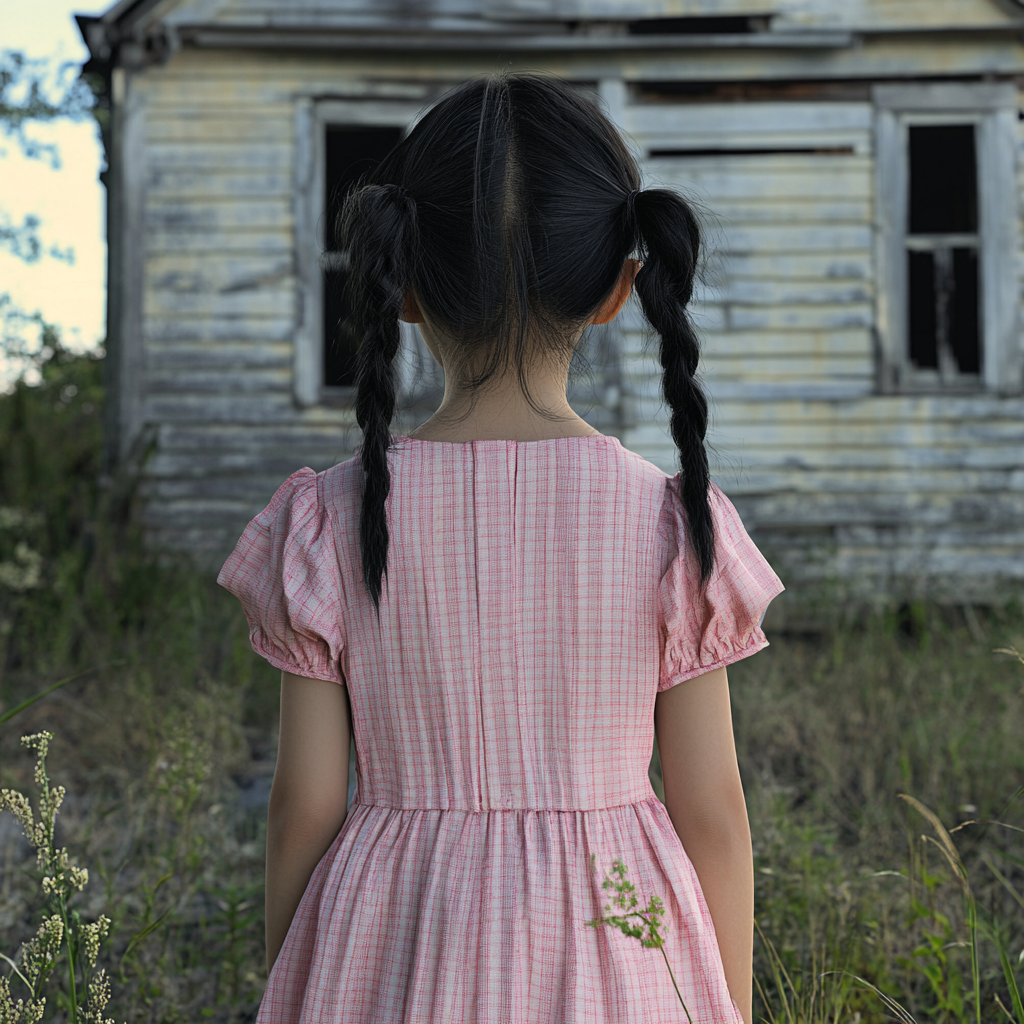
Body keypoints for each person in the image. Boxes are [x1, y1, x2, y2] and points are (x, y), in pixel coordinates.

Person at [218, 71, 784, 1024]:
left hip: (389, 941)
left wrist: (295, 983)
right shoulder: (668, 521)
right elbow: (714, 817)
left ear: (402, 284)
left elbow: (303, 808)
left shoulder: (329, 517)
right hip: (620, 946)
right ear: (619, 287)